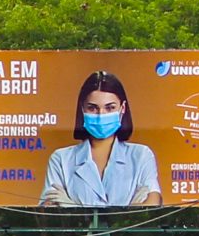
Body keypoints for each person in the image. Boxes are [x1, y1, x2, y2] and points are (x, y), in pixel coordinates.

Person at [38, 70, 162, 209]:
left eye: (110, 108)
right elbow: (49, 210)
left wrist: (72, 207)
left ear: (123, 108)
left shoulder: (141, 155)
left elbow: (152, 206)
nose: (101, 114)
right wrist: (127, 211)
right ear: (82, 109)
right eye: (92, 108)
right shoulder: (61, 159)